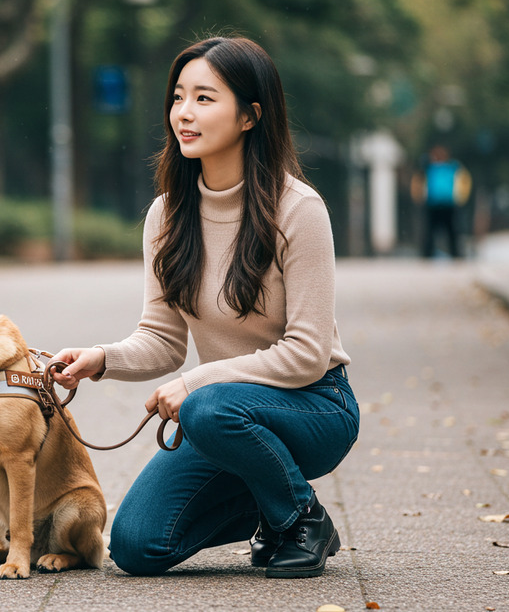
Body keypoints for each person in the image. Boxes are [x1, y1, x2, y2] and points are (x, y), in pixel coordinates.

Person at [50, 36, 358, 579]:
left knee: (207, 407)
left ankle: (302, 518)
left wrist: (198, 383)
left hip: (313, 406)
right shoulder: (166, 216)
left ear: (250, 115)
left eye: (204, 98)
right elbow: (163, 341)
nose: (183, 114)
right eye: (177, 97)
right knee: (137, 546)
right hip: (224, 417)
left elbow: (309, 354)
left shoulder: (298, 210)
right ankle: (272, 504)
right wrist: (101, 358)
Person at [411, 145, 471, 258]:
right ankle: (427, 255)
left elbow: (464, 182)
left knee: (453, 232)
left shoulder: (454, 167)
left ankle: (456, 255)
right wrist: (418, 197)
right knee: (429, 233)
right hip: (432, 204)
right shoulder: (426, 168)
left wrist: (461, 198)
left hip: (450, 205)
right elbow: (418, 183)